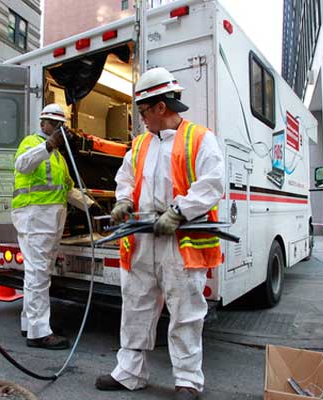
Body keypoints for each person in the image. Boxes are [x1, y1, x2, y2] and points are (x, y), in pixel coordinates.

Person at [95, 68, 225, 400]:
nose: (142, 120)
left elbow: (212, 183)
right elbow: (126, 178)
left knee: (186, 312)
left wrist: (179, 211)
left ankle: (187, 380)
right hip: (142, 240)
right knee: (136, 306)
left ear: (161, 107)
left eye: (143, 112)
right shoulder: (140, 145)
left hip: (181, 240)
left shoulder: (199, 138)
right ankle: (129, 372)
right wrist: (124, 199)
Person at [12, 103, 93, 350]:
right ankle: (38, 333)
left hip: (48, 219)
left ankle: (32, 324)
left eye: (60, 125)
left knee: (39, 273)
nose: (57, 129)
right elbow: (22, 165)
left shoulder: (58, 157)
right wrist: (49, 144)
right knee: (38, 274)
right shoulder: (31, 143)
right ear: (43, 123)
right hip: (35, 216)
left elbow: (68, 188)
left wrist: (92, 206)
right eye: (53, 124)